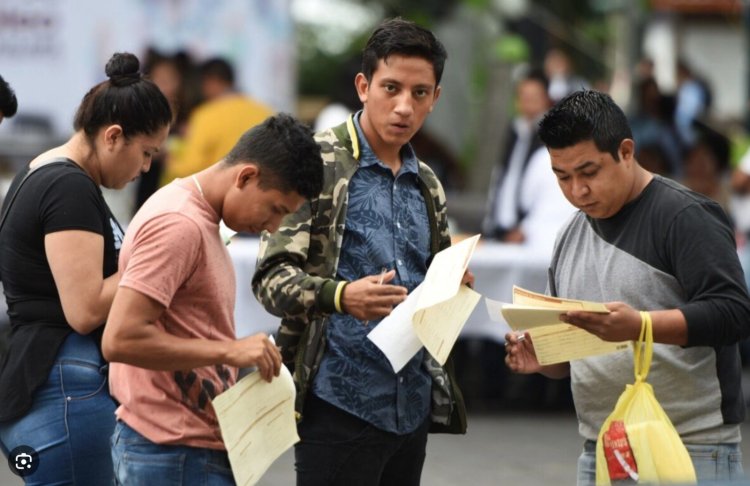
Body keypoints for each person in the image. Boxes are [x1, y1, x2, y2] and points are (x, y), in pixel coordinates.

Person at [253, 18, 470, 486]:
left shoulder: (428, 182)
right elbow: (271, 281)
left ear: (435, 97)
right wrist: (341, 296)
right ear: (363, 86)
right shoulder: (317, 163)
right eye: (390, 88)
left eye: (419, 93)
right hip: (335, 402)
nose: (403, 107)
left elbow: (436, 289)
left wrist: (451, 287)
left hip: (409, 404)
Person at [504, 89, 750, 485]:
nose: (577, 191)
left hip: (690, 447)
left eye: (589, 172)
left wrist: (641, 326)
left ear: (625, 151)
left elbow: (734, 312)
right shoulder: (569, 235)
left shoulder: (684, 216)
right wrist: (542, 359)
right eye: (562, 177)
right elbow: (574, 356)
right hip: (603, 449)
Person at [102, 113, 323, 485]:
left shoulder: (199, 216)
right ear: (246, 176)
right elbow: (120, 339)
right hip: (171, 452)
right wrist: (228, 351)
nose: (274, 227)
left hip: (186, 449)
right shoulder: (180, 224)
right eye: (276, 209)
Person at [0, 52, 172, 485]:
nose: (146, 168)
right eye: (146, 152)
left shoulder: (53, 175)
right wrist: (153, 257)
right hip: (64, 390)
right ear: (113, 136)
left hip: (58, 385)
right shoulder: (66, 185)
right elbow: (84, 308)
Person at [482, 67, 575, 250]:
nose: (527, 102)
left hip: (527, 234)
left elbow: (550, 197)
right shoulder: (514, 132)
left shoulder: (552, 139)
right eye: (523, 96)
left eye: (534, 97)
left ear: (546, 99)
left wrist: (526, 228)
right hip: (499, 228)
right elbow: (502, 178)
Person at [161, 56, 274, 186]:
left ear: (211, 81)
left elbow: (190, 167)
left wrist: (170, 159)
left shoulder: (206, 114)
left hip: (222, 195)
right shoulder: (266, 112)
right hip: (263, 190)